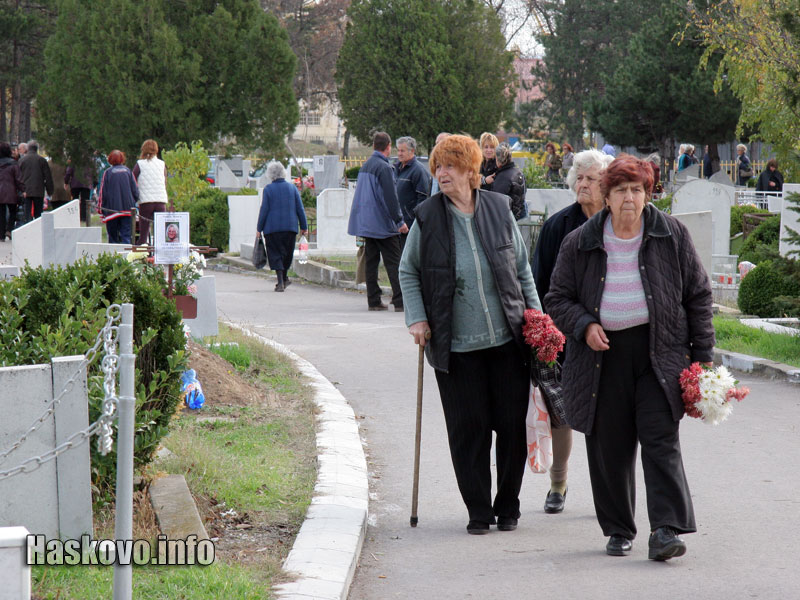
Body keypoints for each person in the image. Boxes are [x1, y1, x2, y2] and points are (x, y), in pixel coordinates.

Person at [545, 154, 714, 561]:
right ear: (606, 197)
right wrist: (585, 324)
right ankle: (619, 528)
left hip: (661, 354)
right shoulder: (581, 240)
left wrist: (704, 359)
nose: (629, 198)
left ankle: (666, 529)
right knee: (610, 447)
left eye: (637, 190)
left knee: (660, 440)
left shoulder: (670, 234)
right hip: (601, 357)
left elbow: (698, 295)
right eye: (620, 190)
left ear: (648, 193)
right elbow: (557, 297)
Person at [399, 134, 542, 535]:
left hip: (507, 342)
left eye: (450, 166)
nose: (442, 174)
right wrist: (417, 318)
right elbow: (408, 271)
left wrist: (537, 317)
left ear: (470, 170)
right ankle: (478, 509)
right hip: (456, 346)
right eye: (437, 168)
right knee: (469, 430)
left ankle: (508, 506)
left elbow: (522, 269)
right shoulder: (428, 216)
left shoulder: (498, 208)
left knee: (512, 428)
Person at [531, 148, 613, 514]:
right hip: (562, 335)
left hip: (610, 336)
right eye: (578, 178)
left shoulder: (620, 224)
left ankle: (609, 491)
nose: (582, 184)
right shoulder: (557, 227)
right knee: (561, 411)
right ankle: (558, 483)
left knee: (608, 417)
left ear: (606, 185)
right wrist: (541, 330)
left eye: (591, 179)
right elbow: (539, 283)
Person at [347, 132, 407, 311]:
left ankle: (373, 300)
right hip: (383, 224)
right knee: (394, 262)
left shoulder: (365, 166)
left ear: (374, 145)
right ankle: (399, 300)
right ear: (388, 146)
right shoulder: (384, 167)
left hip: (366, 224)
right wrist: (399, 221)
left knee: (371, 262)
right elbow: (390, 197)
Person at [256, 161, 309, 292]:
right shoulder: (292, 188)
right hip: (289, 228)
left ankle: (281, 281)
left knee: (275, 254)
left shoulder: (268, 189)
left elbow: (264, 210)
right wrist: (304, 226)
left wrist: (259, 229)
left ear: (271, 175)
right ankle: (284, 279)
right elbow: (300, 208)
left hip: (272, 229)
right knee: (286, 254)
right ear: (283, 173)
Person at [394, 136, 431, 248]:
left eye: (402, 150)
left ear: (412, 151)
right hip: (397, 224)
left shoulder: (418, 171)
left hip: (409, 226)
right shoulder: (396, 168)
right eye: (398, 150)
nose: (399, 153)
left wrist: (413, 221)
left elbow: (423, 199)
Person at [98, 150, 139, 244]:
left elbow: (103, 192)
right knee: (126, 236)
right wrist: (132, 202)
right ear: (122, 159)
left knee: (113, 238)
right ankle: (126, 257)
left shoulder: (107, 173)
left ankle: (113, 257)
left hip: (112, 211)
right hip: (127, 210)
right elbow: (135, 191)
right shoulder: (128, 171)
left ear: (110, 160)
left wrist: (101, 210)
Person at [132, 139, 168, 245]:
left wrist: (136, 195)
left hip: (146, 201)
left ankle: (142, 254)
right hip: (160, 200)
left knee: (144, 233)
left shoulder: (140, 164)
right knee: (161, 232)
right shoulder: (162, 164)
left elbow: (132, 180)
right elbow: (165, 182)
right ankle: (160, 255)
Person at [18, 140, 53, 222]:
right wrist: (50, 190)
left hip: (25, 191)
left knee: (27, 213)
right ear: (36, 149)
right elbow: (47, 177)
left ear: (28, 148)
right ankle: (37, 228)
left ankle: (28, 226)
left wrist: (19, 190)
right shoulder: (42, 160)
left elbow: (18, 176)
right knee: (38, 214)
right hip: (38, 190)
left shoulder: (22, 160)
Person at [491, 143, 527, 220]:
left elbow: (497, 202)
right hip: (519, 217)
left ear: (497, 159)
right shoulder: (519, 173)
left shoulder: (502, 176)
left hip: (507, 220)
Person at [0, 142, 25, 241]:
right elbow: (18, 179)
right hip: (11, 192)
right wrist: (23, 190)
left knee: (1, 213)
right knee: (13, 211)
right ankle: (9, 230)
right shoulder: (13, 164)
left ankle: (1, 235)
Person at [65, 159, 95, 226]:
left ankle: (74, 216)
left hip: (75, 184)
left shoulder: (73, 159)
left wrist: (66, 182)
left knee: (74, 201)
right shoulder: (90, 160)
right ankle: (83, 218)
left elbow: (68, 172)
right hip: (86, 183)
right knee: (85, 202)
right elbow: (94, 171)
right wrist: (95, 183)